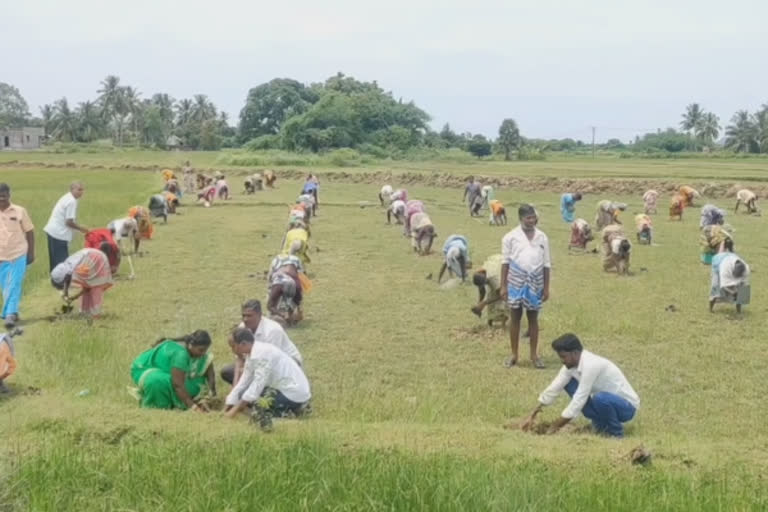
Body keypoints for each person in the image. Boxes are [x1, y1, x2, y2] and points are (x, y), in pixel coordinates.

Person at [520, 334, 639, 437]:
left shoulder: (591, 364)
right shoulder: (570, 366)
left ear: (575, 353)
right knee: (569, 383)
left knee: (600, 398)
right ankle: (600, 426)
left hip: (626, 407)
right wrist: (532, 414)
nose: (562, 360)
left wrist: (555, 426)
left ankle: (616, 434)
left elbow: (579, 399)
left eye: (563, 356)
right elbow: (554, 387)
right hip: (603, 404)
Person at [224, 328, 312, 429]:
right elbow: (244, 381)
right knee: (247, 397)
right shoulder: (252, 353)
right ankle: (288, 411)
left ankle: (293, 415)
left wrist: (234, 411)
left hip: (294, 393)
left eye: (233, 347)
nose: (232, 351)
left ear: (243, 344)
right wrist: (229, 403)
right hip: (283, 389)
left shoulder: (261, 354)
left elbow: (256, 386)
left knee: (260, 414)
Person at [501, 204, 551, 369]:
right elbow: (505, 262)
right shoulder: (510, 237)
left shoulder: (542, 237)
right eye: (528, 218)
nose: (531, 221)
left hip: (536, 281)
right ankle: (514, 355)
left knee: (533, 319)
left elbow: (546, 263)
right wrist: (503, 286)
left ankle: (534, 356)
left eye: (533, 218)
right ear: (520, 218)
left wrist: (546, 287)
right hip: (516, 280)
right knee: (515, 317)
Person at [220, 300, 304, 387]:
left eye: (249, 316)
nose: (245, 319)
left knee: (255, 375)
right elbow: (240, 358)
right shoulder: (242, 328)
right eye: (243, 316)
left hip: (286, 363)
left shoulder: (272, 330)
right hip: (259, 363)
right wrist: (235, 387)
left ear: (260, 315)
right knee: (228, 372)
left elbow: (272, 362)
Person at [129, 330, 215, 411]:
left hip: (170, 372)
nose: (203, 353)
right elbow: (177, 384)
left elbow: (209, 369)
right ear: (190, 345)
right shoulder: (181, 355)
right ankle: (159, 407)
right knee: (158, 382)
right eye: (201, 350)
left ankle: (185, 401)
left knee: (195, 384)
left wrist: (210, 396)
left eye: (205, 350)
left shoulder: (196, 352)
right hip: (144, 369)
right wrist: (193, 407)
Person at [0, 184, 35, 329]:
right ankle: (12, 311)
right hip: (1, 256)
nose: (2, 199)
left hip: (18, 254)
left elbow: (30, 231)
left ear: (9, 195)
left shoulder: (20, 211)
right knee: (5, 287)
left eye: (4, 196)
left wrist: (31, 253)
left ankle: (9, 315)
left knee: (14, 284)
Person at [50, 248, 114, 317]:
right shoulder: (67, 268)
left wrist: (71, 296)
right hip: (90, 259)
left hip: (97, 261)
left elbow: (86, 287)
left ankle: (95, 314)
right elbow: (83, 286)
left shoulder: (78, 271)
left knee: (95, 289)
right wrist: (69, 295)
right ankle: (84, 312)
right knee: (89, 288)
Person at [43, 182, 87, 271]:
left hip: (52, 231)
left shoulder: (67, 197)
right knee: (62, 263)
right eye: (79, 189)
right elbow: (69, 222)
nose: (81, 192)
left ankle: (54, 280)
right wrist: (81, 229)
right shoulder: (72, 201)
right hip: (59, 234)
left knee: (54, 261)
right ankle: (61, 282)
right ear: (72, 190)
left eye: (82, 190)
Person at [266, 247, 309, 326]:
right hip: (278, 273)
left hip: (292, 277)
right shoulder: (277, 286)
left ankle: (289, 321)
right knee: (272, 303)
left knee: (293, 305)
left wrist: (296, 312)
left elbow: (298, 302)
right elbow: (269, 306)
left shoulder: (297, 287)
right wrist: (281, 314)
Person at [710, 242, 750, 313]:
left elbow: (744, 285)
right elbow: (723, 286)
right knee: (715, 287)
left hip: (731, 257)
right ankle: (711, 309)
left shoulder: (746, 268)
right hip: (719, 262)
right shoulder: (725, 267)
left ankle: (739, 311)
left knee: (742, 292)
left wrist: (739, 293)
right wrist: (734, 293)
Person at [471, 254, 508, 327]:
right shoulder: (479, 275)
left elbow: (501, 295)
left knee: (502, 302)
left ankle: (503, 324)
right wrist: (479, 304)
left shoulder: (493, 278)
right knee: (490, 298)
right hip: (495, 268)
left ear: (486, 279)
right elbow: (482, 291)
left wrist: (484, 303)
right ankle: (490, 322)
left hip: (504, 274)